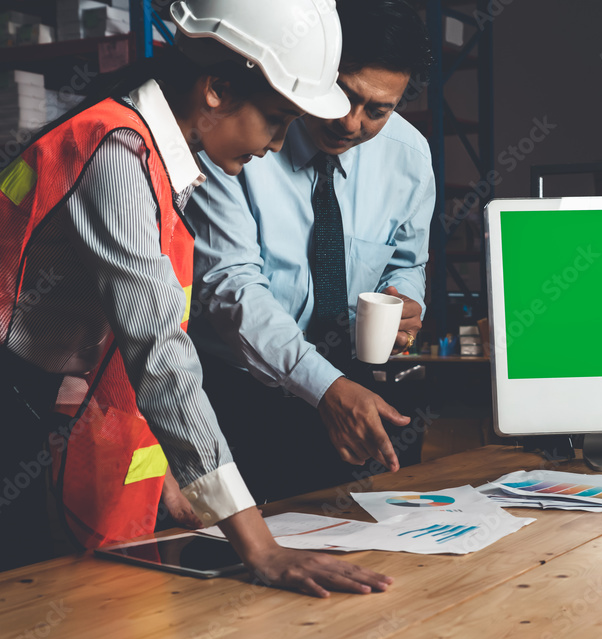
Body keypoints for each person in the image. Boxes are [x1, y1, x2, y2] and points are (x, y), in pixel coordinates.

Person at [0, 0, 390, 598]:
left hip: (10, 398)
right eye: (276, 119)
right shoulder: (117, 155)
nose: (278, 144)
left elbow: (114, 335)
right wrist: (261, 548)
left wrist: (178, 477)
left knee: (7, 590)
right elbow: (158, 353)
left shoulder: (152, 158)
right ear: (218, 89)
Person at [184, 0, 434, 502]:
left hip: (355, 391)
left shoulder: (409, 156)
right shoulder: (238, 134)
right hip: (237, 393)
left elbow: (408, 261)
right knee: (232, 564)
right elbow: (232, 285)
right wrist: (323, 388)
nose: (350, 123)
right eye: (343, 95)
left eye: (378, 110)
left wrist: (405, 300)